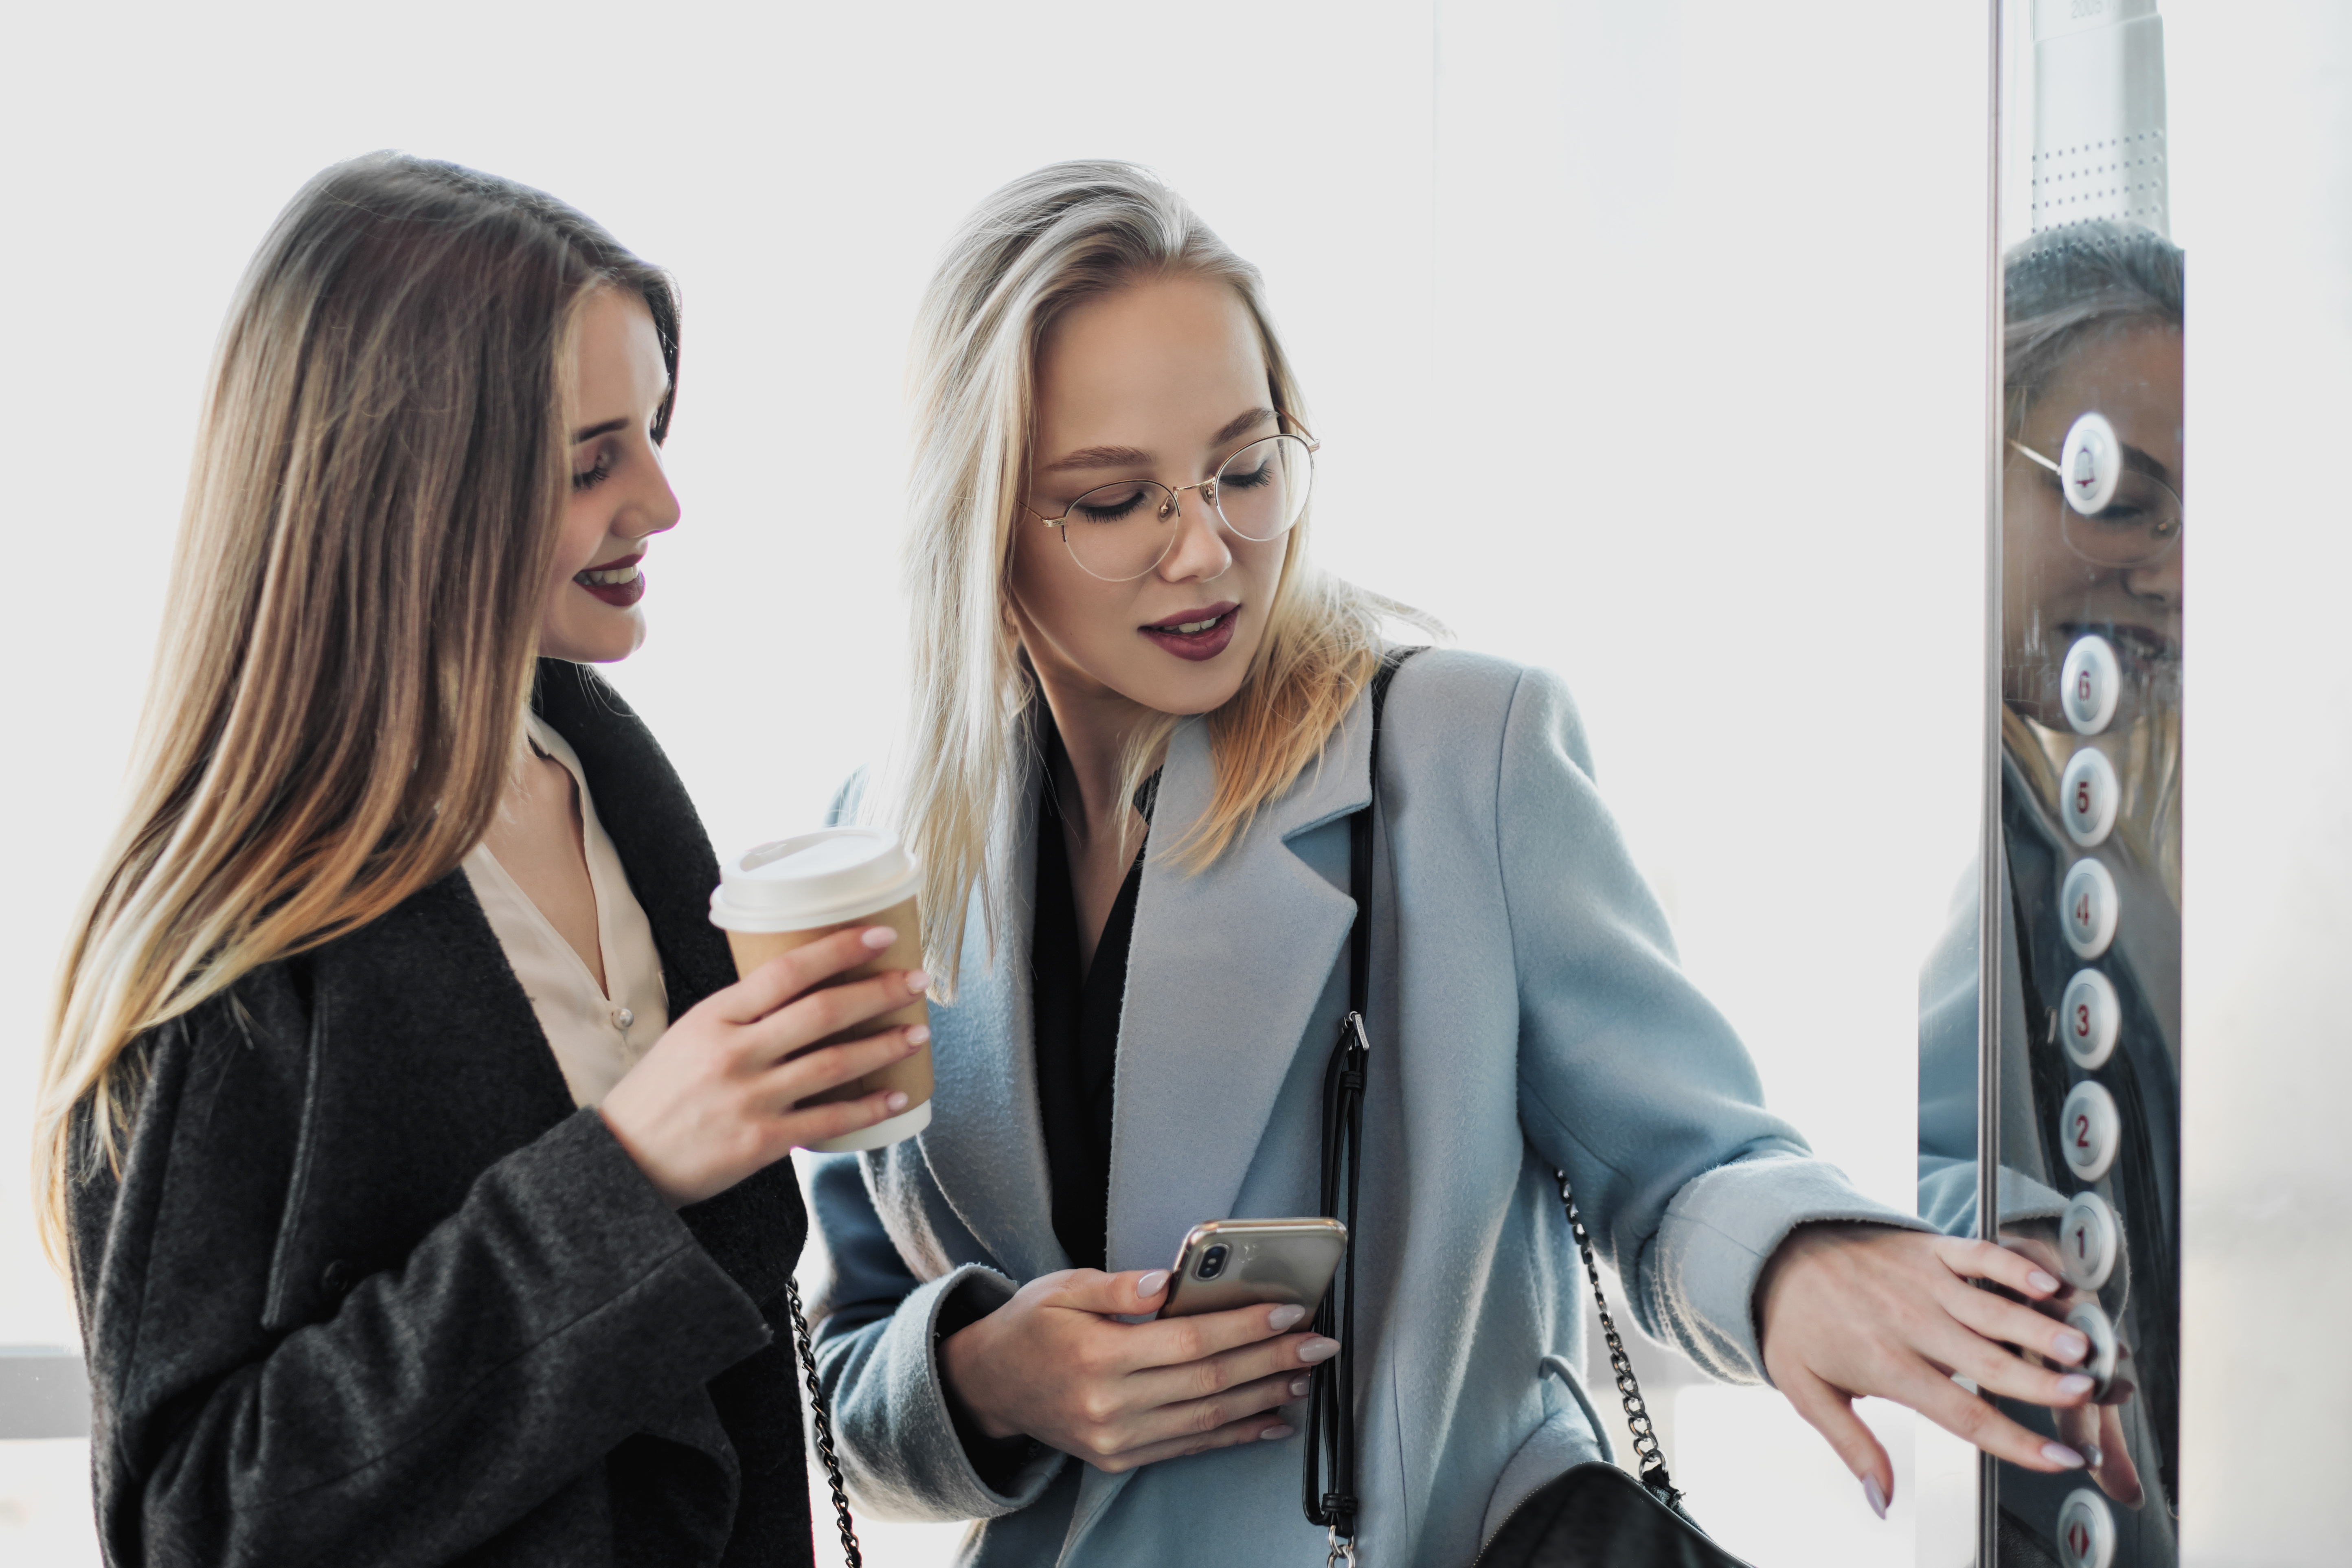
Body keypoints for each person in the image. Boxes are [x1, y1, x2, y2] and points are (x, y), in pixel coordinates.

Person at [802, 160, 2108, 1567]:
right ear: (982, 524)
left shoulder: (1452, 749)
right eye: (1117, 501)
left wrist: (1797, 1262)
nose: (1212, 549)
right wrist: (990, 1377)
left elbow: (1681, 1167)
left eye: (1247, 467)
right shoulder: (885, 853)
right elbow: (845, 1356)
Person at [33, 152, 926, 1568]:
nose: (664, 501)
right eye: (592, 460)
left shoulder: (606, 774)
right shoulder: (238, 938)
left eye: (654, 429)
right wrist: (631, 1170)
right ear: (406, 487)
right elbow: (194, 1519)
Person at [1918, 218, 2184, 1561]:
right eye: (2121, 499)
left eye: (2203, 519)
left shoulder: (2118, 859)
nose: (2175, 570)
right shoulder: (1941, 844)